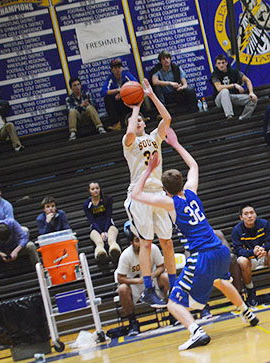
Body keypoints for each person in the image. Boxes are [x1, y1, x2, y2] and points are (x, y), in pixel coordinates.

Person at [131, 127, 259, 350]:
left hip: (201, 256)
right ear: (181, 183)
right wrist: (176, 144)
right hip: (220, 250)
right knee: (222, 281)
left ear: (165, 189)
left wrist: (148, 169)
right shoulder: (191, 191)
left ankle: (196, 331)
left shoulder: (170, 203)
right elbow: (194, 166)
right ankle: (247, 312)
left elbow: (136, 195)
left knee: (173, 303)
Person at [123, 78, 176, 308]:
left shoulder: (154, 137)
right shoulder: (129, 142)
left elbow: (167, 119)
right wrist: (134, 107)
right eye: (136, 121)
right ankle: (147, 289)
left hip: (158, 193)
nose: (139, 123)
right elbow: (130, 133)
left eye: (142, 120)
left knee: (168, 243)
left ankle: (175, 287)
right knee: (146, 243)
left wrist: (150, 95)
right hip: (139, 193)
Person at [116, 222, 169, 336]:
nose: (140, 243)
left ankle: (173, 313)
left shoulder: (153, 248)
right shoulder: (126, 255)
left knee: (165, 277)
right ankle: (133, 322)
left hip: (151, 281)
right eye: (136, 240)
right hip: (135, 285)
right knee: (122, 289)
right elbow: (120, 278)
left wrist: (151, 275)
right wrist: (137, 281)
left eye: (141, 239)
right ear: (131, 243)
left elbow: (161, 267)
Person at [231, 203, 270, 306]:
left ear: (255, 214)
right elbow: (238, 250)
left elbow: (269, 241)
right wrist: (253, 252)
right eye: (246, 214)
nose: (249, 216)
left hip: (264, 256)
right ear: (241, 217)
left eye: (252, 213)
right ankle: (251, 292)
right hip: (249, 259)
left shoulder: (264, 224)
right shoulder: (236, 230)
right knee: (242, 261)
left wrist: (263, 249)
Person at [209, 54, 258, 120]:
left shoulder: (233, 71)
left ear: (226, 63)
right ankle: (229, 116)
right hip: (219, 99)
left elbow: (247, 80)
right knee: (224, 91)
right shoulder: (215, 75)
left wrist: (251, 93)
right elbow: (219, 87)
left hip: (231, 97)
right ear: (216, 65)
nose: (221, 65)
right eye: (219, 63)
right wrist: (234, 85)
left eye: (223, 63)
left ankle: (243, 118)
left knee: (253, 99)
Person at [83, 181, 121, 264]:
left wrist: (106, 231)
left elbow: (108, 216)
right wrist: (100, 232)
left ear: (100, 189)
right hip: (95, 228)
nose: (95, 190)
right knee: (99, 243)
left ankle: (115, 252)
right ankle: (101, 255)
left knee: (111, 240)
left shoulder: (107, 199)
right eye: (93, 189)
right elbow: (91, 220)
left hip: (109, 225)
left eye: (97, 188)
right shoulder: (86, 204)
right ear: (89, 191)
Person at [100, 58, 137, 131]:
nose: (118, 70)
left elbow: (136, 84)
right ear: (112, 70)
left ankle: (139, 116)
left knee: (137, 92)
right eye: (115, 68)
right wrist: (117, 90)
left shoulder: (126, 75)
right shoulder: (110, 78)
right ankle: (116, 123)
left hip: (128, 102)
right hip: (118, 105)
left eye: (119, 67)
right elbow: (103, 92)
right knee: (107, 98)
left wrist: (122, 93)